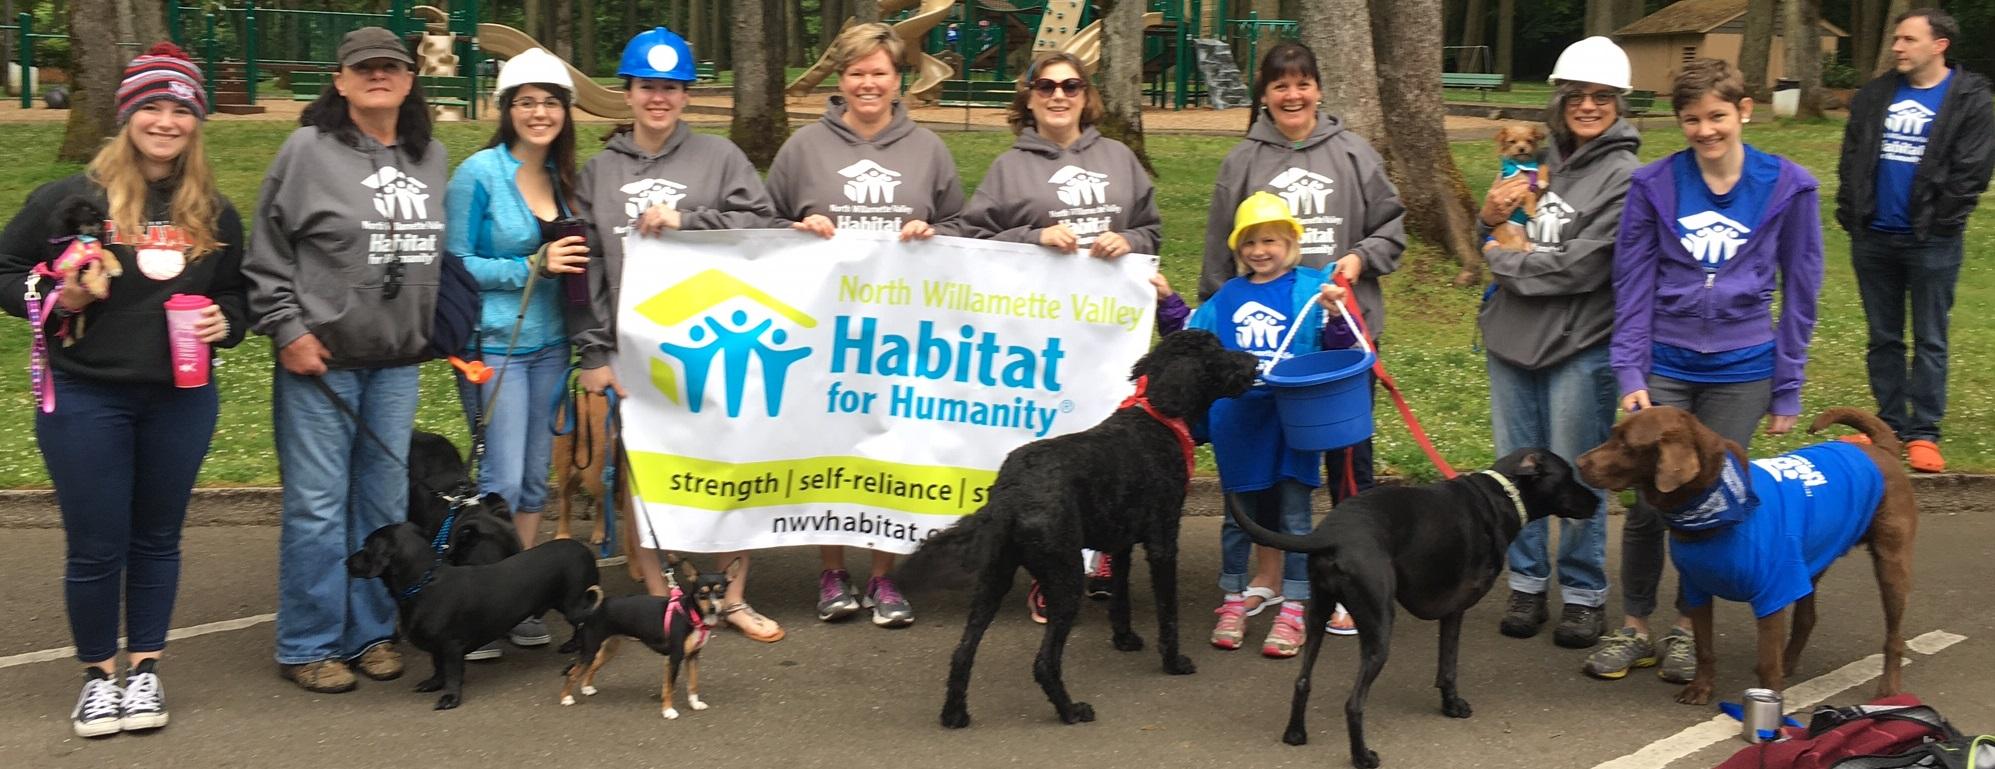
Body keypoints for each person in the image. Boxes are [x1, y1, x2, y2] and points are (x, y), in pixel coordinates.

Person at [0, 43, 245, 737]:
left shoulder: (214, 212)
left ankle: (144, 670)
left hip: (182, 396)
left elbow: (237, 295)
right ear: (127, 114)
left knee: (159, 538)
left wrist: (228, 321)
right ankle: (97, 677)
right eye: (151, 107)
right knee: (96, 542)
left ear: (196, 121)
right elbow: (7, 269)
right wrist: (56, 292)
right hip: (85, 396)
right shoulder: (70, 198)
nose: (165, 121)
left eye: (179, 110)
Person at [1585, 57, 1824, 682]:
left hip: (1743, 368)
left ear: (1744, 110)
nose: (1705, 130)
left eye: (1717, 116)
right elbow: (1631, 284)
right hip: (1665, 362)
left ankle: (1687, 629)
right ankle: (1635, 624)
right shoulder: (1654, 186)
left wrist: (1787, 383)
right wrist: (1631, 374)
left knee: (1714, 501)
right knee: (1647, 501)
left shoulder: (1788, 186)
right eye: (1690, 119)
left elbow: (1801, 290)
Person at [245, 26, 447, 693]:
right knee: (316, 506)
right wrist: (285, 327)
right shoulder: (306, 149)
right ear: (340, 80)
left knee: (383, 501)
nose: (378, 75)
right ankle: (308, 641)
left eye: (392, 66)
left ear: (411, 79)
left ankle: (372, 632)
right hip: (319, 360)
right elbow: (267, 248)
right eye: (364, 68)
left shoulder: (430, 156)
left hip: (395, 360)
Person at [569, 27, 786, 643]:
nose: (657, 98)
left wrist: (688, 221)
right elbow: (583, 272)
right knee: (642, 476)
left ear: (685, 94)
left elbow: (761, 223)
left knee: (732, 468)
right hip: (634, 357)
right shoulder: (598, 171)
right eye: (646, 87)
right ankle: (661, 599)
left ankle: (734, 596)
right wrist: (594, 351)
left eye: (669, 87)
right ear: (628, 93)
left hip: (715, 346)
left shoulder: (720, 158)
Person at [1197, 40, 1406, 636]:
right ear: (1264, 94)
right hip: (1260, 354)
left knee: (1345, 467)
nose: (1293, 95)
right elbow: (1218, 257)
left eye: (1303, 83)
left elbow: (1392, 227)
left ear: (1318, 88)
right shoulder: (1241, 161)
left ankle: (1352, 580)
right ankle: (1267, 578)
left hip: (1336, 347)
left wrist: (1361, 260)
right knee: (1265, 467)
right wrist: (1219, 343)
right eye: (1280, 85)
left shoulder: (1354, 153)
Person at [765, 22, 967, 629]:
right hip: (822, 332)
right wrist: (796, 229)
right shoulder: (803, 148)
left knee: (894, 449)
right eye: (856, 72)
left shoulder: (928, 148)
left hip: (904, 334)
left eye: (879, 71)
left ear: (898, 78)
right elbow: (759, 225)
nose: (867, 83)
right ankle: (832, 571)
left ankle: (885, 576)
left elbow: (965, 226)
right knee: (831, 445)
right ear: (840, 79)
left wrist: (936, 233)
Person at [959, 50, 1162, 621]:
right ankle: (1049, 569)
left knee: (1104, 440)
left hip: (1106, 336)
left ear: (1086, 95)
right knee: (1052, 448)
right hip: (1036, 334)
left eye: (1070, 85)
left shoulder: (1119, 159)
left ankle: (1099, 556)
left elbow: (1151, 230)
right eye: (1045, 85)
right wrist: (1032, 235)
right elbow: (971, 237)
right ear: (1027, 96)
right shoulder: (1009, 167)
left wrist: (1132, 243)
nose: (1058, 95)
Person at [1476, 35, 1640, 650]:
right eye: (1577, 94)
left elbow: (1582, 267)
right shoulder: (1538, 163)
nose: (1588, 106)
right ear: (1561, 98)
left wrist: (1500, 259)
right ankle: (1524, 581)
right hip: (1512, 342)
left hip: (1579, 346)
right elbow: (1491, 228)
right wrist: (1490, 221)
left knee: (1579, 472)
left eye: (1602, 96)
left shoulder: (1625, 177)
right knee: (1516, 469)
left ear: (1620, 103)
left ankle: (1582, 593)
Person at [1156, 192, 1354, 657]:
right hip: (1239, 421)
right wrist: (1168, 301)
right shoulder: (1229, 296)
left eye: (1270, 240)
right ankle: (1232, 598)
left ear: (1290, 242)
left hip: (1293, 421)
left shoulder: (1313, 288)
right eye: (1250, 242)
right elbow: (1190, 338)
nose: (1259, 250)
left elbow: (1340, 346)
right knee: (1237, 516)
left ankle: (1295, 606)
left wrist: (1334, 312)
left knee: (1294, 516)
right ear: (1237, 248)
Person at [444, 47, 592, 658]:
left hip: (551, 347)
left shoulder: (563, 176)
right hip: (493, 348)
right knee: (499, 480)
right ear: (506, 110)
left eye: (550, 102)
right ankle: (474, 606)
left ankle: (518, 599)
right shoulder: (477, 174)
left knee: (534, 481)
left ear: (565, 112)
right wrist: (528, 266)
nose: (539, 113)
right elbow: (453, 265)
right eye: (526, 102)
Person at [1836, 7, 1994, 474]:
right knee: (1882, 339)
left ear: (1939, 45)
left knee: (1930, 339)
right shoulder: (1875, 95)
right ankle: (1887, 428)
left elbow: (1972, 172)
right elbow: (1852, 156)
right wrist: (1853, 213)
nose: (1897, 47)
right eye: (1897, 40)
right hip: (1873, 238)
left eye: (1907, 40)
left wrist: (1942, 222)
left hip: (1932, 241)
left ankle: (1924, 433)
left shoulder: (1971, 99)